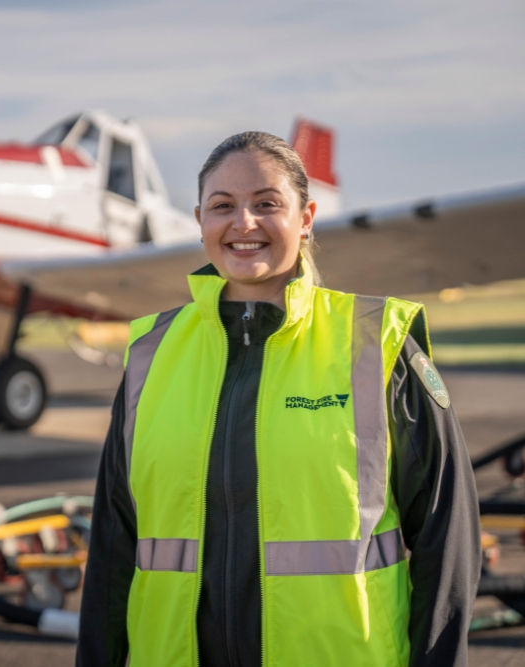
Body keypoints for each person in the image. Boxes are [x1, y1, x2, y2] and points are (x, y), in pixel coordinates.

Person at [75, 131, 480, 667]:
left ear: (306, 217)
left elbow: (447, 536)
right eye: (223, 207)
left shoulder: (376, 343)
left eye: (267, 204)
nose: (244, 224)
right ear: (200, 221)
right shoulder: (152, 355)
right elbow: (111, 547)